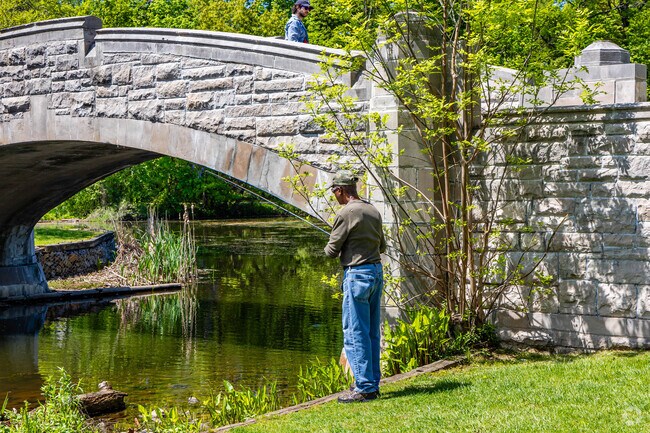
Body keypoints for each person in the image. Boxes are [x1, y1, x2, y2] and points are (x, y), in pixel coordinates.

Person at [324, 170, 386, 403]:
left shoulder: (346, 212)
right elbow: (382, 246)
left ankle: (364, 388)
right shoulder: (372, 210)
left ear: (340, 190)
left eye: (334, 192)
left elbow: (331, 251)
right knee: (370, 332)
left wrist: (333, 245)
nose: (334, 196)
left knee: (354, 332)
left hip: (357, 275)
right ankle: (371, 381)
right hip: (375, 273)